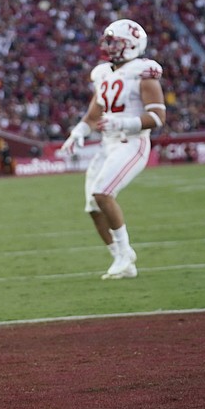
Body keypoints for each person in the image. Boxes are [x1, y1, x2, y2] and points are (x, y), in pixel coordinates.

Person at [59, 18, 165, 280]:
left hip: (133, 142)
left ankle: (126, 251)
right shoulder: (103, 73)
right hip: (108, 144)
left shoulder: (143, 72)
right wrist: (78, 133)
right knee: (93, 207)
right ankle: (120, 258)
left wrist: (122, 122)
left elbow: (158, 118)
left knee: (103, 193)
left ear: (131, 45)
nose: (108, 46)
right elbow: (94, 112)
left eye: (114, 41)